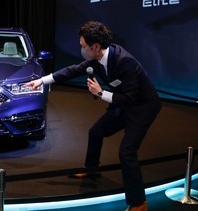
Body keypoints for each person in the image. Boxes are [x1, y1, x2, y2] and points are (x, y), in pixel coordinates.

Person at [25, 21, 161, 211]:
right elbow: (71, 70)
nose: (81, 49)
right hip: (120, 101)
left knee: (127, 153)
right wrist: (41, 81)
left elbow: (130, 98)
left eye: (82, 46)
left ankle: (139, 203)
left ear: (95, 47)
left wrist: (100, 93)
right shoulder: (97, 59)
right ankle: (92, 169)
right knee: (96, 132)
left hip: (141, 107)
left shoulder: (124, 61)